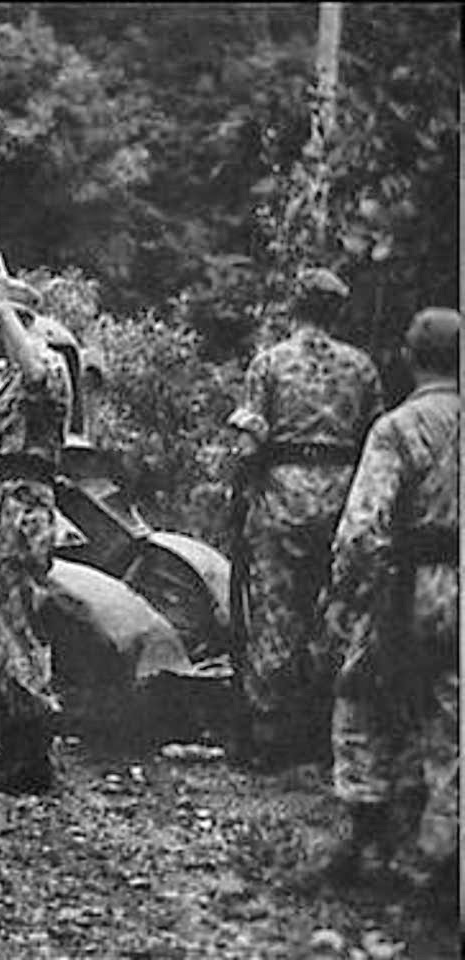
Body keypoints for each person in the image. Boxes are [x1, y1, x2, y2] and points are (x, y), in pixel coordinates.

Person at [313, 307, 459, 899]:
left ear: (408, 356)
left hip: (412, 588)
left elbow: (360, 527)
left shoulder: (399, 428)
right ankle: (441, 858)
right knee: (452, 716)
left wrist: (344, 593)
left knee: (364, 700)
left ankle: (365, 841)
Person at [225, 267, 384, 770]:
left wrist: (238, 492)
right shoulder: (362, 368)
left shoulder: (270, 362)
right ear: (337, 312)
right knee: (334, 611)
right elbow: (376, 441)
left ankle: (270, 737)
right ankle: (324, 729)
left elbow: (250, 441)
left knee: (276, 612)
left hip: (282, 494)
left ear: (295, 306)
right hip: (343, 495)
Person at [0, 267, 72, 793]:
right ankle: (7, 733)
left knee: (17, 626)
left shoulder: (43, 363)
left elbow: (35, 376)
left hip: (24, 503)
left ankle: (32, 754)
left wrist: (3, 304)